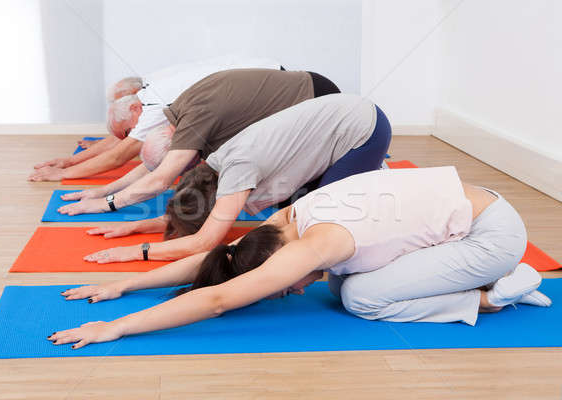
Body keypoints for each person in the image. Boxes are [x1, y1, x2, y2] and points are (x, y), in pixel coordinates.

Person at [49, 166, 550, 349]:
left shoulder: (317, 243)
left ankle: (494, 294)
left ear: (280, 262)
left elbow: (220, 299)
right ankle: (486, 283)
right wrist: (127, 284)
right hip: (469, 210)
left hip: (492, 236)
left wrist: (117, 327)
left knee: (359, 297)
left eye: (282, 283)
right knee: (340, 285)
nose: (292, 288)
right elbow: (220, 259)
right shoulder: (289, 219)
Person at [81, 93, 391, 263]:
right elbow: (191, 209)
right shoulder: (214, 167)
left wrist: (138, 251)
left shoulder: (239, 169)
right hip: (339, 116)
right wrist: (137, 225)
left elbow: (204, 243)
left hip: (364, 129)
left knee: (324, 221)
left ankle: (379, 189)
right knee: (298, 207)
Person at [55, 67, 340, 214]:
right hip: (304, 89)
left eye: (182, 165)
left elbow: (160, 179)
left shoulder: (193, 123)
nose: (185, 170)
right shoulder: (176, 116)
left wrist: (108, 204)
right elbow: (155, 167)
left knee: (293, 199)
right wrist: (104, 190)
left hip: (317, 97)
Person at [28, 56, 283, 182]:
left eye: (128, 130)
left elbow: (120, 154)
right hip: (262, 76)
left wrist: (62, 174)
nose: (129, 136)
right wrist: (70, 160)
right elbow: (124, 138)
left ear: (134, 107)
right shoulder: (147, 95)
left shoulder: (152, 105)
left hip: (272, 83)